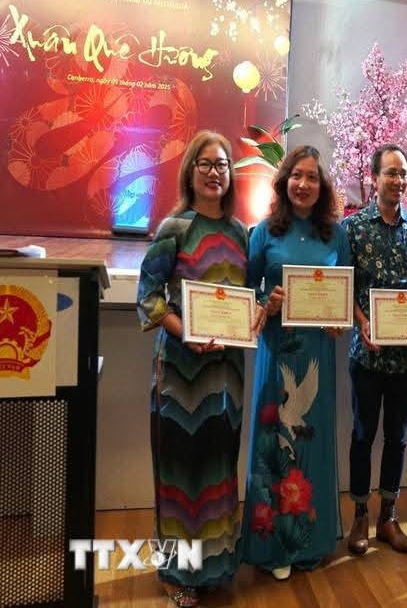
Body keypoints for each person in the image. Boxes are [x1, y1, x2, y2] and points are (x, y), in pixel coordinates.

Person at [136, 131, 249, 607]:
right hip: (181, 373)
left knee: (218, 466)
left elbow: (248, 298)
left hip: (227, 375)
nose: (214, 172)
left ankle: (216, 567)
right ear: (191, 171)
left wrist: (270, 304)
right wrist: (186, 331)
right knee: (181, 470)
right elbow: (148, 295)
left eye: (222, 164)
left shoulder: (242, 234)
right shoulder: (174, 229)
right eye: (205, 164)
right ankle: (178, 575)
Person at [241, 145, 351, 578]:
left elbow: (345, 291)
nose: (304, 184)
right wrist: (266, 303)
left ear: (321, 186)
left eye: (312, 177)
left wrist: (341, 323)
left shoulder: (335, 235)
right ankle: (275, 548)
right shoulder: (264, 231)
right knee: (275, 443)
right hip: (277, 349)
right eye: (297, 176)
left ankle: (311, 539)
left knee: (312, 442)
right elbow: (246, 294)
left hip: (318, 353)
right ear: (285, 181)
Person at [342, 144, 407, 556]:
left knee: (396, 438)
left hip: (405, 358)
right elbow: (344, 287)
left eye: (403, 173)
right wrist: (361, 320)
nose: (397, 180)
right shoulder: (354, 228)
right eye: (390, 173)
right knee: (363, 434)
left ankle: (388, 516)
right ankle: (360, 513)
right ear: (374, 177)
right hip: (368, 352)